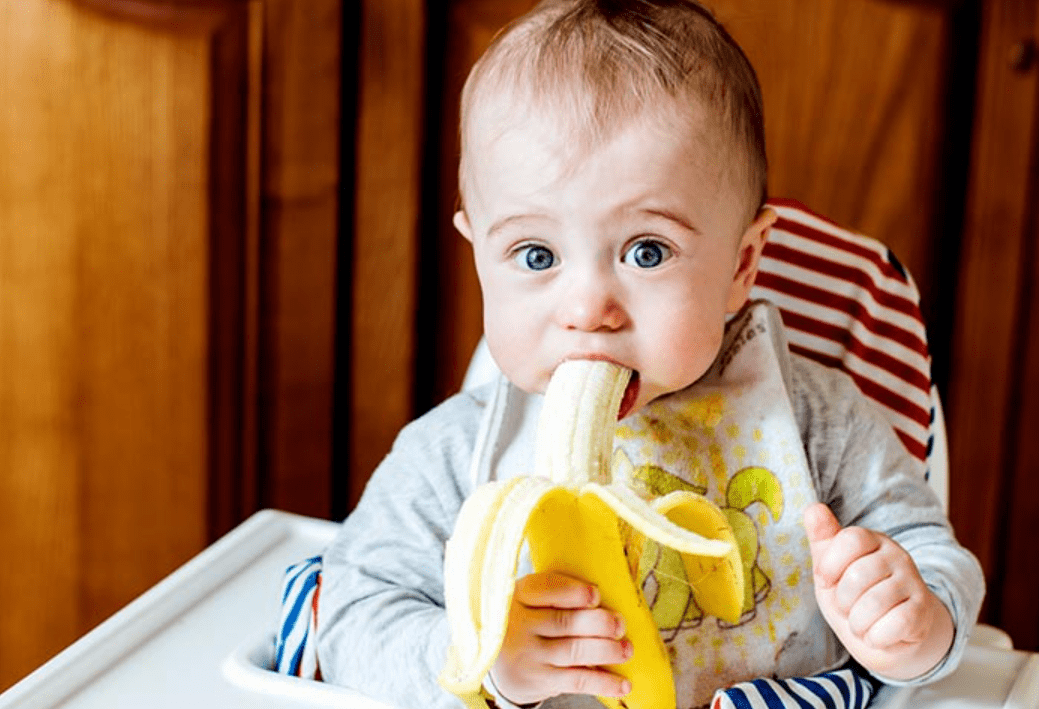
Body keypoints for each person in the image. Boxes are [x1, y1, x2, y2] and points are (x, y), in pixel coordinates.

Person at [315, 1, 984, 708]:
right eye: (535, 253)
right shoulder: (455, 454)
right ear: (478, 252)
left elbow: (932, 557)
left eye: (646, 250)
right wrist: (480, 658)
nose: (586, 309)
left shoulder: (817, 424)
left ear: (740, 263)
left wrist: (912, 623)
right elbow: (351, 616)